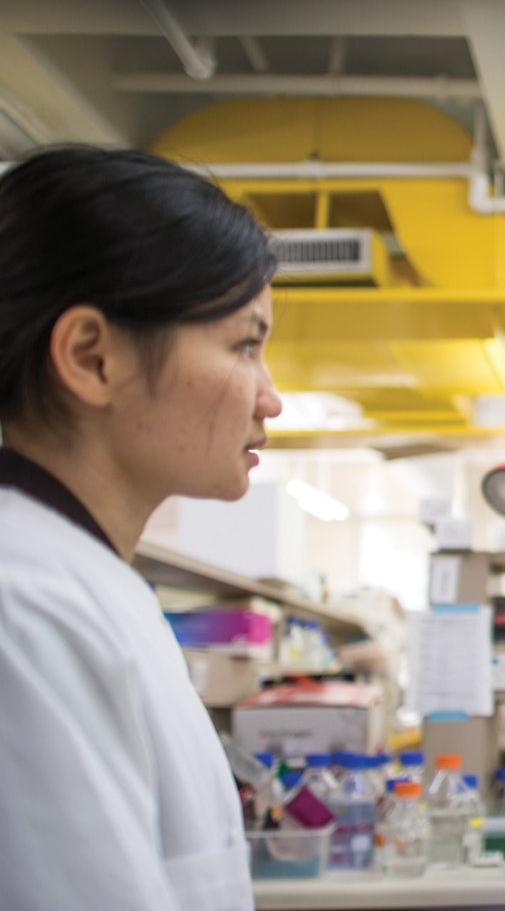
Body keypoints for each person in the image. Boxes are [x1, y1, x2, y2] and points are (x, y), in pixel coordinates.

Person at [0, 147, 281, 910]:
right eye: (245, 344)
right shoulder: (24, 605)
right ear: (93, 358)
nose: (271, 397)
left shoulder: (88, 583)